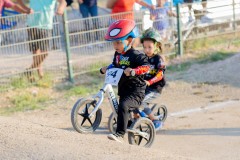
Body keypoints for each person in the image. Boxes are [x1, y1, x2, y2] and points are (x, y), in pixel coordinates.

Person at [100, 19, 150, 143]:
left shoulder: (137, 55)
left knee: (123, 106)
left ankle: (120, 134)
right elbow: (114, 65)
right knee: (121, 109)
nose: (115, 46)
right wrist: (106, 68)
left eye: (118, 43)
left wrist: (133, 71)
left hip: (136, 92)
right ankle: (127, 124)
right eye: (114, 43)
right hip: (123, 90)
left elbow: (146, 67)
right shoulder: (117, 55)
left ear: (128, 40)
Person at [17, 0, 67, 82]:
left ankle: (29, 70)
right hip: (32, 24)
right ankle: (39, 74)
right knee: (35, 51)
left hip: (46, 25)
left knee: (45, 52)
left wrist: (60, 9)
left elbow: (63, 2)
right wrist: (26, 9)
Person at [138, 27, 166, 130]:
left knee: (140, 102)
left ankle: (155, 120)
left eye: (149, 47)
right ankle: (136, 117)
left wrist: (149, 82)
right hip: (144, 86)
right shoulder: (143, 58)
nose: (146, 50)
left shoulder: (159, 59)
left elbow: (160, 75)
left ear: (156, 46)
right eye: (144, 47)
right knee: (132, 98)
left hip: (155, 88)